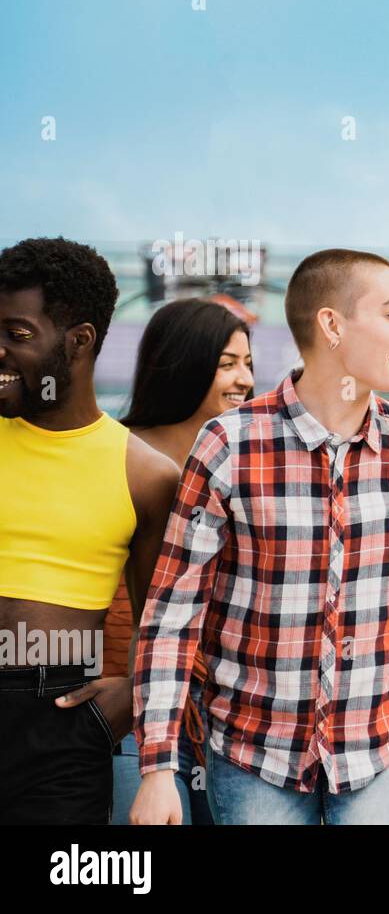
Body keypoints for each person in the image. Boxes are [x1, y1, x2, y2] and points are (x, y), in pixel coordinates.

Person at [129, 249, 389, 825]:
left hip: (386, 743)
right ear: (332, 325)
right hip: (255, 751)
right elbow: (173, 614)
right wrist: (157, 770)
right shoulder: (227, 445)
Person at [0, 237, 179, 824]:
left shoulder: (146, 475)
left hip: (59, 725)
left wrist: (127, 697)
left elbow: (167, 623)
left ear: (79, 340)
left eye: (16, 335)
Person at [104, 298, 256, 825]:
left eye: (248, 363)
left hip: (229, 709)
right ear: (184, 363)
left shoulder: (250, 459)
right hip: (133, 704)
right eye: (227, 364)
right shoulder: (118, 457)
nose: (244, 379)